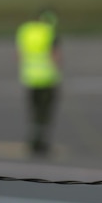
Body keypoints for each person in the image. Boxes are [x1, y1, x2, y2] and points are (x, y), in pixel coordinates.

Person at [16, 9, 62, 156]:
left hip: (30, 77)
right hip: (47, 78)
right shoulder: (49, 32)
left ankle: (33, 141)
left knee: (34, 111)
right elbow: (55, 56)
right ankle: (41, 143)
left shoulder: (25, 30)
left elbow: (19, 54)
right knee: (44, 112)